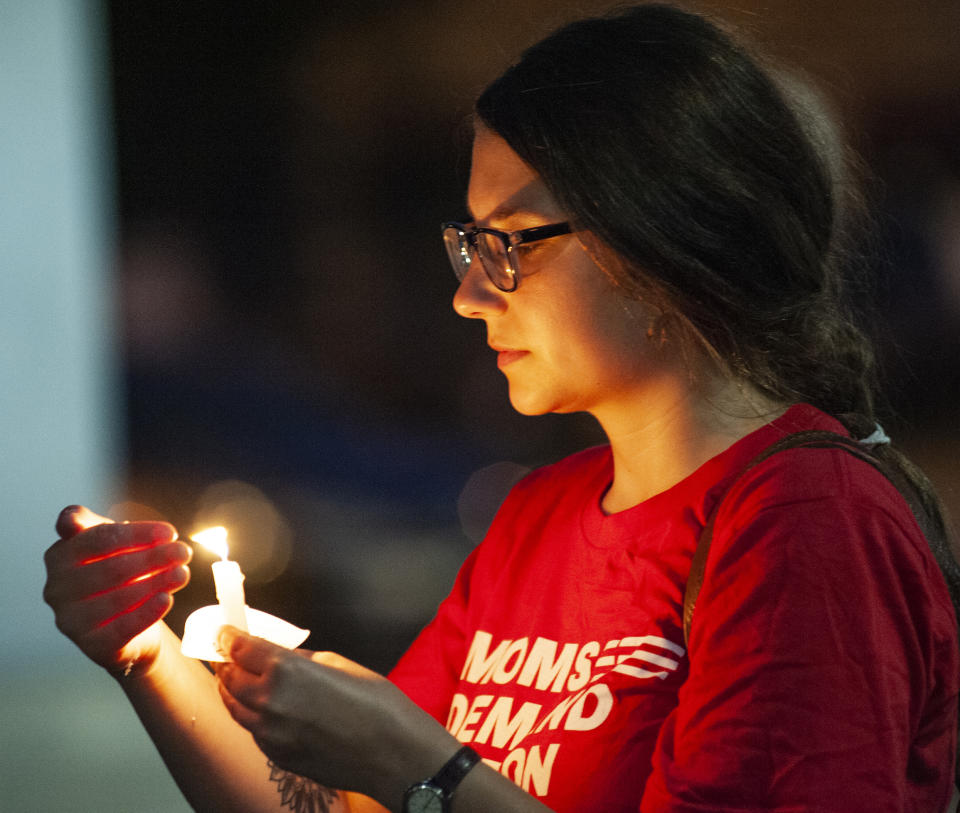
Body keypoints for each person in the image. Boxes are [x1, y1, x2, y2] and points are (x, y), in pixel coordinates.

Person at [43, 4, 959, 811]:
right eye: (470, 242)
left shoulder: (806, 520)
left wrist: (420, 763)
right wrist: (146, 653)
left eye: (513, 241)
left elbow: (419, 785)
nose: (471, 293)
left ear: (666, 236)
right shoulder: (541, 517)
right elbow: (344, 805)